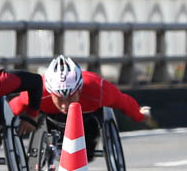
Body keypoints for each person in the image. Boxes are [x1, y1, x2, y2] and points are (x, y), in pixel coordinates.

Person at [9, 56, 149, 161]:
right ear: (51, 92)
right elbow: (13, 108)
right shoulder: (39, 92)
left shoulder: (98, 89)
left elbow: (123, 101)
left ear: (80, 89)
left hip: (86, 118)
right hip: (51, 117)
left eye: (70, 97)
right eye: (59, 98)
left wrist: (140, 115)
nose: (65, 105)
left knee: (85, 156)